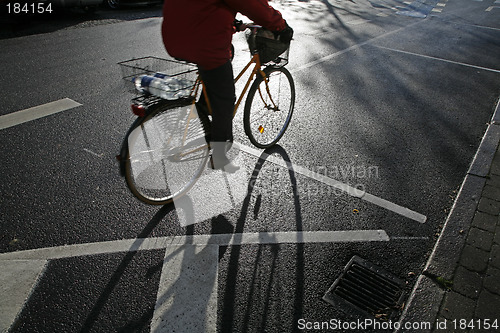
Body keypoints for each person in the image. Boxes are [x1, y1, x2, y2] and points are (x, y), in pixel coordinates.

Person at [161, 0, 293, 172]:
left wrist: (232, 24)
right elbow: (253, 5)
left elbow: (204, 9)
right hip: (204, 43)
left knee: (224, 58)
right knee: (225, 99)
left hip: (175, 36)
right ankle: (219, 156)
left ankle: (203, 109)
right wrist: (281, 26)